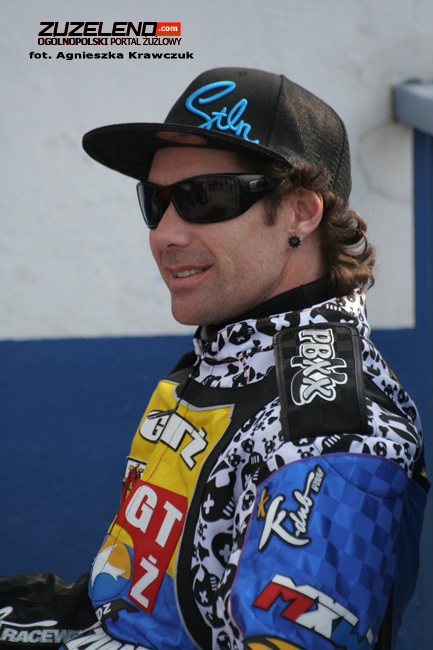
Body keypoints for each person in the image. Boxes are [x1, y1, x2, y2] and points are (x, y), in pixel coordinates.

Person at [0, 67, 429, 650]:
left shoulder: (331, 432)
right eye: (156, 201)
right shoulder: (227, 353)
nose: (165, 234)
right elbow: (140, 609)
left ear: (302, 212)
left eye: (205, 197)